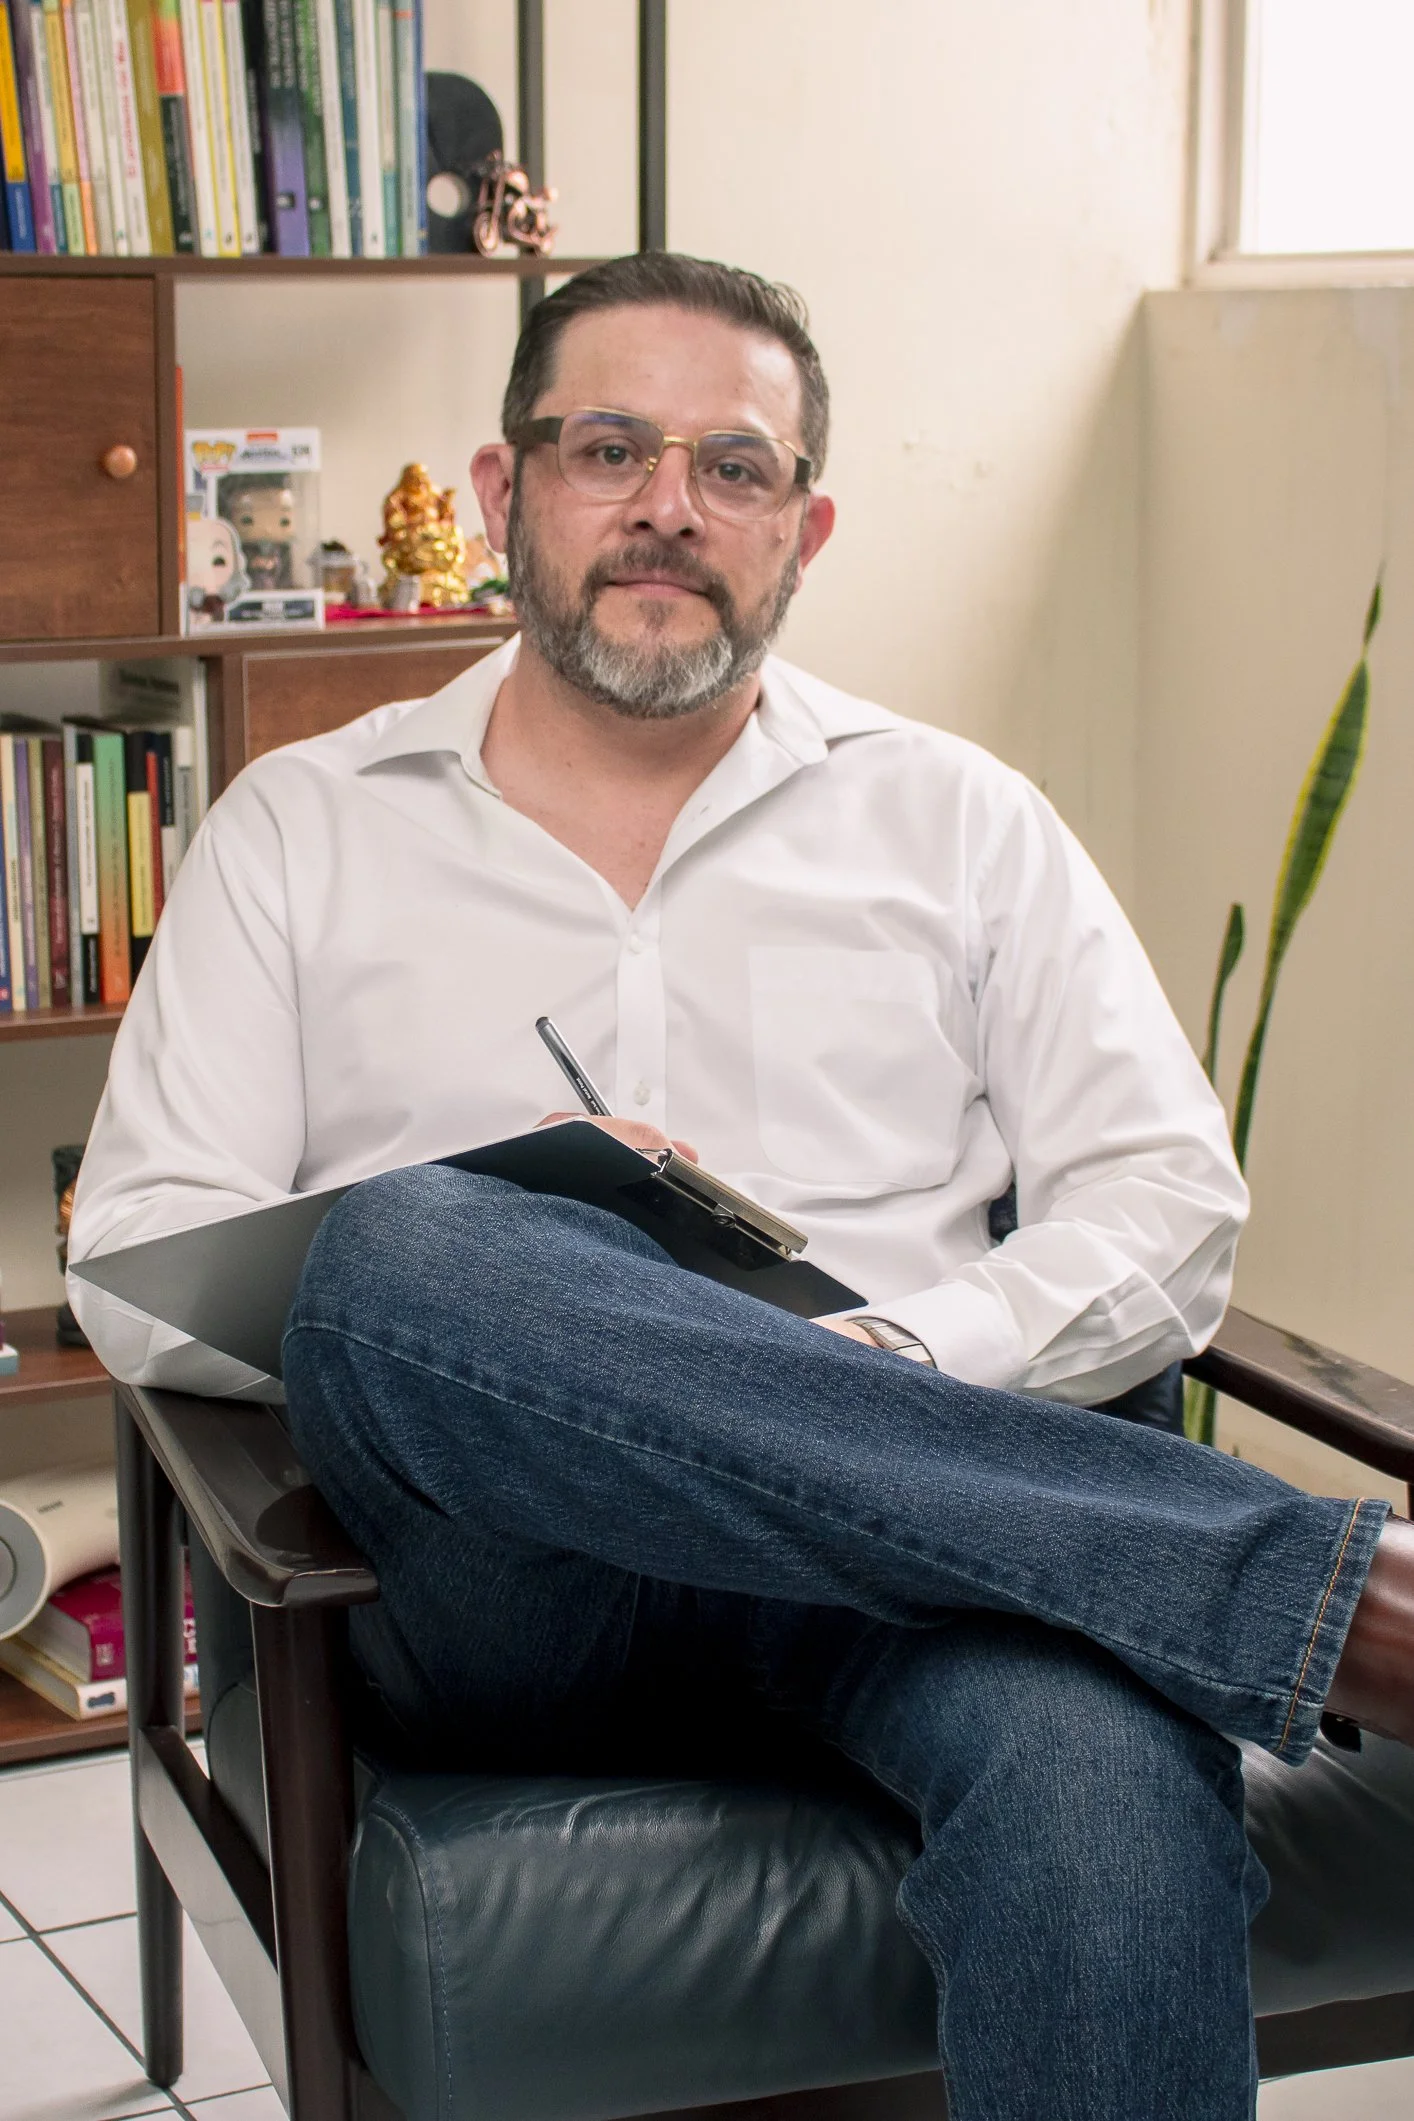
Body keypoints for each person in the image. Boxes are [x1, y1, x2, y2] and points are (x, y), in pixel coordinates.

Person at [69, 253, 1414, 2121]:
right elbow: (136, 1261)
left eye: (734, 466)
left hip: (919, 1574)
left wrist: (882, 1355)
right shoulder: (297, 829)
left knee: (1102, 1789)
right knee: (415, 1245)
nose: (665, 508)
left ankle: (1217, 1590)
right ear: (501, 493)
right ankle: (1324, 1611)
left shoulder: (959, 821)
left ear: (809, 526)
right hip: (506, 1596)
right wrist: (503, 1286)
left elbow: (1164, 1198)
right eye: (607, 446)